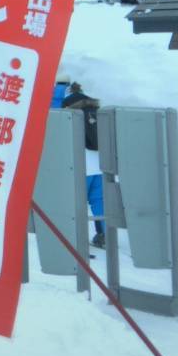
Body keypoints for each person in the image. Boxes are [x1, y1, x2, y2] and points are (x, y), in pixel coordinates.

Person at [62, 82, 106, 247]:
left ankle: (74, 236)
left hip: (80, 164)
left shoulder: (69, 109)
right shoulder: (97, 111)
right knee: (100, 202)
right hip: (100, 165)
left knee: (75, 202)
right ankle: (104, 235)